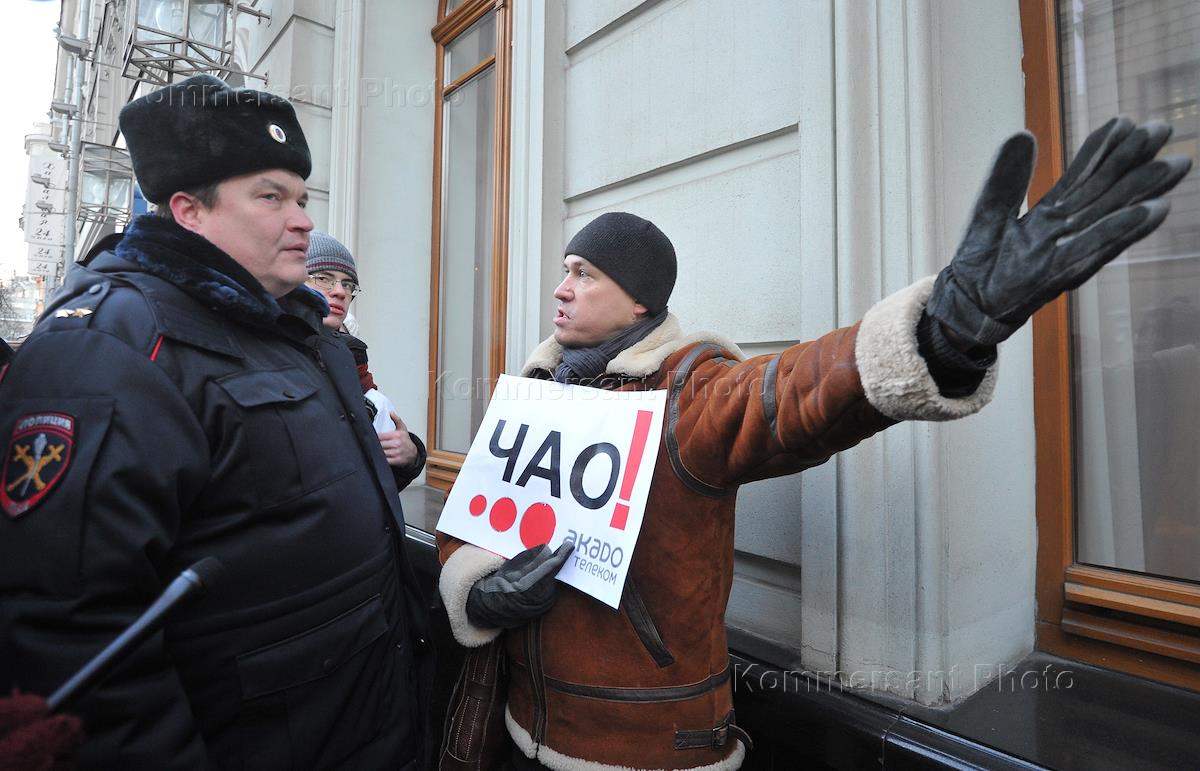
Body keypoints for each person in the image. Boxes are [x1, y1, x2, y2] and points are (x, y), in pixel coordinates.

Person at [436, 117, 1193, 770]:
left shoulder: (689, 394)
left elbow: (789, 395)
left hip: (642, 750)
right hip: (517, 720)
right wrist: (478, 589)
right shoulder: (535, 388)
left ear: (640, 302)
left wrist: (938, 333)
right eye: (565, 271)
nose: (562, 287)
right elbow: (473, 510)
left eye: (585, 273)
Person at [0, 75, 432, 769]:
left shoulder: (307, 336)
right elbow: (70, 635)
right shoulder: (109, 345)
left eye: (302, 199)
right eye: (271, 197)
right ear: (189, 211)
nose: (303, 220)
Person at [305, 230, 426, 476]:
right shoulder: (259, 358)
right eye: (324, 278)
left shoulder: (364, 386)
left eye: (347, 284)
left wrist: (410, 456)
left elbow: (376, 483)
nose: (339, 291)